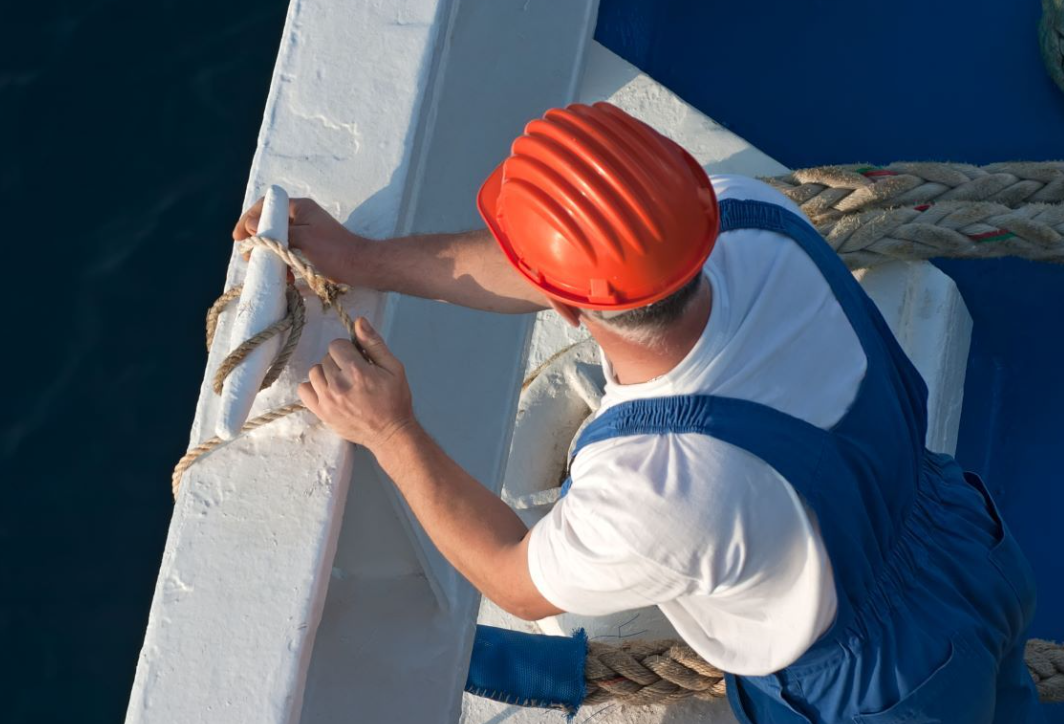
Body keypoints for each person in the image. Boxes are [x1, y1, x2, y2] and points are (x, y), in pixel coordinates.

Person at [232, 102, 1042, 723]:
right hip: (967, 540)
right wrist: (363, 259)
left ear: (566, 310)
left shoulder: (655, 489)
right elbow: (569, 275)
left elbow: (513, 580)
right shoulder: (758, 218)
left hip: (880, 689)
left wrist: (392, 431)